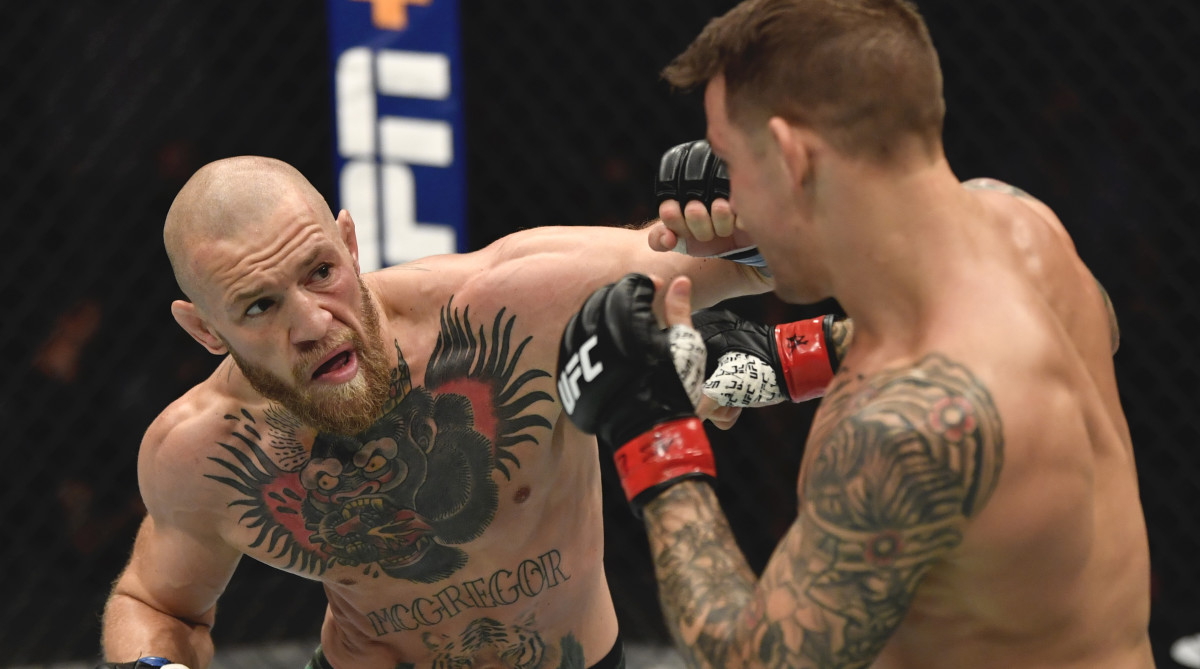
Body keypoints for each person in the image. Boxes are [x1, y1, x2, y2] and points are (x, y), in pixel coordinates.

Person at [556, 0, 1155, 667]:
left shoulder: (905, 429)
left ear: (791, 156)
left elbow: (751, 659)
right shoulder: (1021, 223)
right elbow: (1079, 326)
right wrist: (775, 351)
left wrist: (651, 429)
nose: (736, 196)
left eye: (734, 160)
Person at [97, 155, 772, 669]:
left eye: (320, 272)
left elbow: (775, 258)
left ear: (349, 243)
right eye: (258, 306)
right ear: (205, 330)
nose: (311, 323)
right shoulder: (201, 451)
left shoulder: (514, 304)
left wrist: (742, 222)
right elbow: (155, 603)